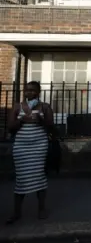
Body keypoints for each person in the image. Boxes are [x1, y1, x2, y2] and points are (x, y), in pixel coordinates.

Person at [6, 81, 54, 224]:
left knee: (39, 176)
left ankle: (41, 209)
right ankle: (16, 212)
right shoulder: (17, 107)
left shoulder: (45, 107)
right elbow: (10, 127)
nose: (29, 93)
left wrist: (41, 120)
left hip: (39, 146)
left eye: (33, 90)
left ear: (38, 92)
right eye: (27, 90)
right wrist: (21, 120)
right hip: (21, 147)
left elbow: (51, 126)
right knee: (21, 179)